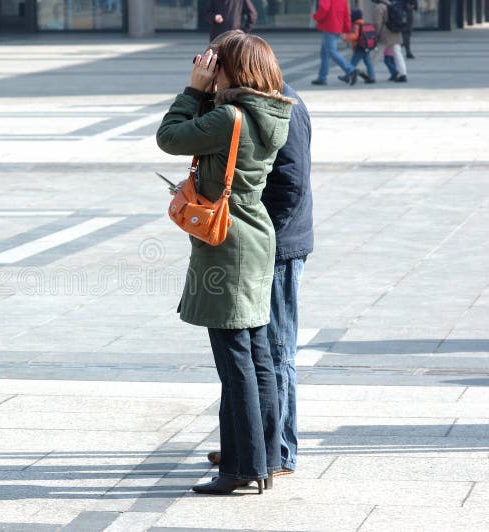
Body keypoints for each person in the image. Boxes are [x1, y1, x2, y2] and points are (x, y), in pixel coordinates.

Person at [157, 30, 292, 495]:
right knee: (258, 357)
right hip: (255, 234)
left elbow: (169, 137)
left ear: (233, 69)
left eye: (216, 63)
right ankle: (264, 460)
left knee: (236, 361)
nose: (208, 68)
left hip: (228, 244)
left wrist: (194, 89)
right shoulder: (271, 111)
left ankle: (242, 468)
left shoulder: (228, 116)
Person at [206, 81, 312, 477]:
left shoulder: (283, 106)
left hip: (278, 247)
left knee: (276, 349)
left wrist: (263, 235)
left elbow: (291, 184)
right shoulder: (250, 103)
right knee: (255, 352)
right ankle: (248, 446)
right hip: (268, 243)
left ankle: (279, 451)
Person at [311, 0, 356, 85]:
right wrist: (346, 28)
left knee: (331, 51)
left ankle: (350, 70)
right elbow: (346, 13)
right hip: (338, 26)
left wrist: (315, 17)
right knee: (324, 53)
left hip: (329, 26)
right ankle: (322, 77)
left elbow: (324, 8)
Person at [374, 0, 407, 82]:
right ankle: (403, 74)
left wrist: (377, 34)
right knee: (397, 53)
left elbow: (378, 22)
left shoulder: (380, 6)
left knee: (377, 53)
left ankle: (368, 72)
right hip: (396, 32)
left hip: (385, 33)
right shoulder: (393, 4)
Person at [342, 8, 376, 84]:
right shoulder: (364, 24)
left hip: (359, 47)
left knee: (352, 63)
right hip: (366, 47)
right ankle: (372, 77)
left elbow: (355, 36)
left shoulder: (356, 25)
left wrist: (346, 37)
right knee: (368, 63)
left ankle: (347, 77)